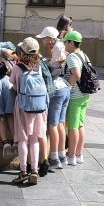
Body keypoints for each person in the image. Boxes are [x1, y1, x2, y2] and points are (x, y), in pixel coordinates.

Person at [10, 37, 48, 185]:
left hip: (23, 107)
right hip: (38, 108)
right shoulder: (39, 65)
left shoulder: (17, 67)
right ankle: (35, 171)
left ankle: (23, 171)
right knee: (34, 139)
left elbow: (13, 84)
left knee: (22, 139)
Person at [37, 27, 70, 168]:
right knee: (60, 124)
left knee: (52, 124)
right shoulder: (59, 45)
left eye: (44, 38)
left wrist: (43, 62)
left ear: (50, 38)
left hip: (57, 88)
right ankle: (62, 155)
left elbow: (54, 66)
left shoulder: (56, 46)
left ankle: (54, 157)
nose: (43, 40)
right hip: (65, 87)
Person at [63, 30, 90, 165]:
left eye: (66, 42)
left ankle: (71, 156)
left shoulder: (72, 57)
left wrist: (66, 85)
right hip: (84, 95)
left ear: (71, 43)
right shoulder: (83, 55)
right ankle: (79, 155)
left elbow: (77, 74)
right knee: (80, 125)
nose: (64, 45)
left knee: (73, 127)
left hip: (75, 95)